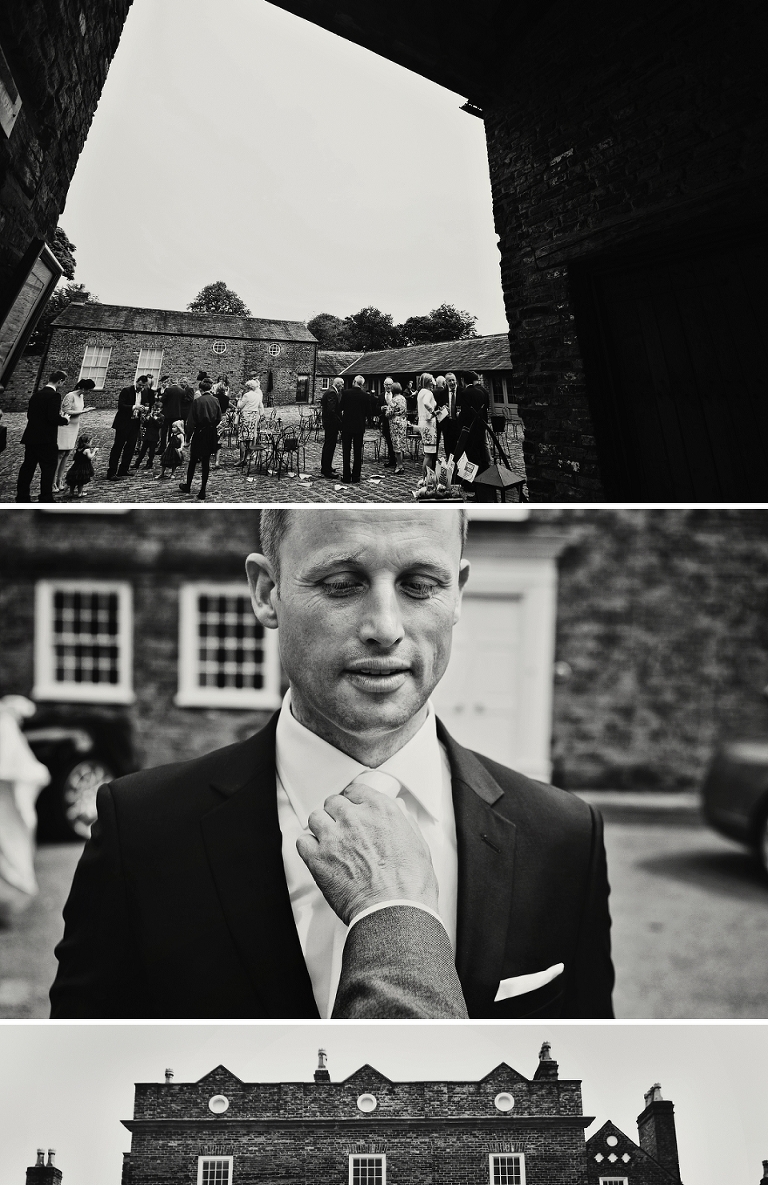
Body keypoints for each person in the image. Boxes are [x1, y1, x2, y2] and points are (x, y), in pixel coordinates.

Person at [50, 508, 614, 1022]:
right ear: (267, 592)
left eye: (421, 586)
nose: (385, 627)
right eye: (342, 585)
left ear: (458, 593)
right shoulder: (142, 826)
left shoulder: (564, 836)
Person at [0, 696, 50, 928]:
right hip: (8, 809)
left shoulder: (8, 731)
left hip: (9, 808)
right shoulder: (7, 729)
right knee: (10, 851)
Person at [16, 369, 67, 501]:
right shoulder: (54, 396)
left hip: (31, 437)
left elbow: (30, 415)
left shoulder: (36, 395)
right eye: (63, 382)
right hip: (46, 439)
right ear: (60, 381)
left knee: (28, 468)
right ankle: (46, 497)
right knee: (48, 469)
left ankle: (22, 496)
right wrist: (65, 419)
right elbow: (52, 418)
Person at [181, 377, 221, 502]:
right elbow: (219, 418)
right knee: (206, 461)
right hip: (211, 432)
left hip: (200, 432)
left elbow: (190, 423)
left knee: (193, 460)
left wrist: (187, 439)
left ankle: (188, 485)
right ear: (210, 388)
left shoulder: (198, 401)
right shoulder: (215, 400)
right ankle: (202, 489)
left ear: (200, 389)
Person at [53, 377, 94, 492]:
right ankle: (52, 482)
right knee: (60, 454)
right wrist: (84, 411)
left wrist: (84, 410)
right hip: (65, 426)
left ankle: (59, 480)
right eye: (87, 389)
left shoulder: (81, 396)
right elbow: (66, 411)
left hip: (74, 426)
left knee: (67, 454)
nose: (88, 392)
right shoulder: (70, 395)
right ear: (81, 387)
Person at [341, 375, 371, 486]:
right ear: (362, 384)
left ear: (354, 382)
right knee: (358, 451)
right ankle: (356, 476)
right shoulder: (365, 396)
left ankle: (346, 476)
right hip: (359, 426)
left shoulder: (346, 393)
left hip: (347, 426)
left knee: (346, 451)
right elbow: (369, 412)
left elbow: (340, 408)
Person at [107, 384, 141, 479]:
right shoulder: (127, 390)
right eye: (141, 385)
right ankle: (112, 471)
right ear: (137, 382)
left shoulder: (145, 393)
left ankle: (123, 469)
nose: (141, 387)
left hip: (135, 423)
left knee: (130, 447)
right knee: (118, 447)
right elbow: (121, 405)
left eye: (144, 386)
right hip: (123, 423)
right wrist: (134, 407)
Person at [320, 376, 344, 479]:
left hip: (329, 423)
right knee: (330, 446)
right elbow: (331, 410)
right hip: (331, 424)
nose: (342, 387)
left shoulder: (330, 392)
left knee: (328, 445)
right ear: (338, 384)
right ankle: (326, 469)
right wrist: (339, 423)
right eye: (342, 384)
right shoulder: (332, 393)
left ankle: (326, 466)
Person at [416, 373, 437, 478]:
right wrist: (433, 412)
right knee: (429, 454)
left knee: (427, 452)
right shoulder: (428, 392)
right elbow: (426, 403)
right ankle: (426, 478)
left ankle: (426, 477)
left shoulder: (421, 392)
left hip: (422, 422)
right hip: (428, 424)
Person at [159, 376, 185, 458]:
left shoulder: (168, 390)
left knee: (164, 431)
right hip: (177, 413)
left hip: (167, 413)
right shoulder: (182, 391)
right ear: (177, 381)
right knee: (174, 431)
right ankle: (171, 447)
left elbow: (162, 400)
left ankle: (162, 447)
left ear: (171, 382)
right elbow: (183, 401)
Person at [388, 382, 407, 472]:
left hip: (395, 423)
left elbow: (389, 413)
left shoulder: (393, 400)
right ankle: (401, 463)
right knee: (401, 442)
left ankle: (399, 465)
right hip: (403, 422)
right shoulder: (403, 398)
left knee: (396, 444)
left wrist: (386, 411)